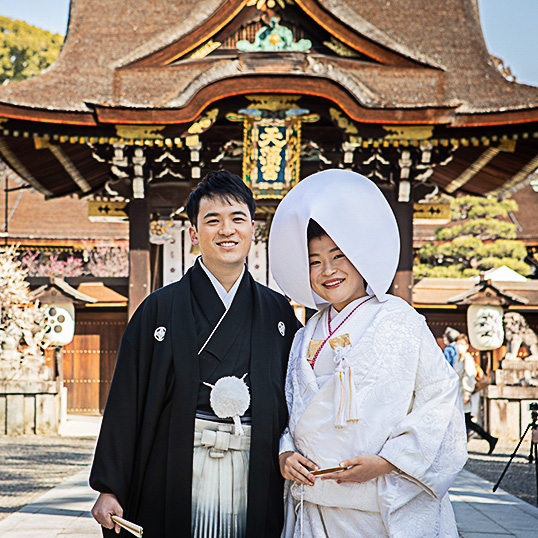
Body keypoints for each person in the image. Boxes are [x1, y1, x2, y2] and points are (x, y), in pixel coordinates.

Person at [90, 170, 299, 538]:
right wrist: (110, 486)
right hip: (174, 468)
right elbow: (127, 400)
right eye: (212, 220)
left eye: (237, 219)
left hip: (255, 468)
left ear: (254, 228)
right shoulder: (158, 309)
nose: (226, 230)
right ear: (193, 234)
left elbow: (301, 397)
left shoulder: (278, 312)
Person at [268, 169, 468, 537]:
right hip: (317, 504)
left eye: (339, 255)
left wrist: (387, 461)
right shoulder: (305, 334)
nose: (328, 270)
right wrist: (286, 453)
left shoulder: (399, 320)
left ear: (360, 255)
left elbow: (439, 399)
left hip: (382, 502)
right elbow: (292, 410)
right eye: (314, 261)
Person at [453, 333, 498, 454]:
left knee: (465, 421)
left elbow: (470, 376)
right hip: (460, 394)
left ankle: (489, 439)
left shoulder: (467, 358)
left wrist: (467, 393)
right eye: (458, 343)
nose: (459, 346)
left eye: (462, 344)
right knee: (465, 421)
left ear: (467, 346)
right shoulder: (458, 359)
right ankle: (489, 439)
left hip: (466, 394)